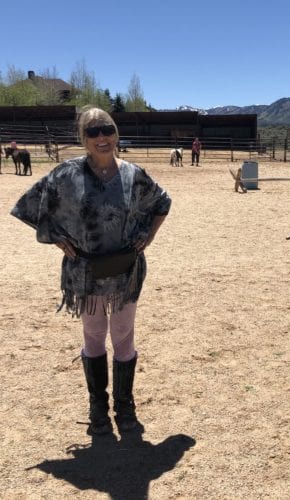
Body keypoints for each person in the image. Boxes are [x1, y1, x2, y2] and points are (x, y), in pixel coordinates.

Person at [11, 105, 172, 435]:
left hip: (125, 271)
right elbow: (28, 206)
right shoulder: (65, 175)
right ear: (82, 139)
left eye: (107, 129)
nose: (102, 137)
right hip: (86, 272)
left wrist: (149, 235)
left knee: (123, 336)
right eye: (93, 132)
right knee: (94, 335)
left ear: (116, 133)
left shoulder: (133, 175)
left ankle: (124, 407)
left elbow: (162, 202)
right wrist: (56, 239)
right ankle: (98, 407)